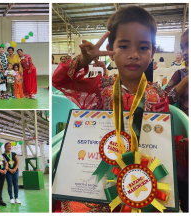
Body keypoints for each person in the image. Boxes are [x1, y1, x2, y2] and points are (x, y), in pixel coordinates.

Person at [52, 6, 170, 212]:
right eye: (124, 47)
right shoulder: (99, 87)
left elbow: (163, 142)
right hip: (98, 177)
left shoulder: (159, 96)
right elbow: (58, 80)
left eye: (143, 48)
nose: (133, 55)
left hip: (142, 182)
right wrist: (82, 61)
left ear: (153, 51)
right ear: (110, 49)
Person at [165, 29, 189, 116]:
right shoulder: (180, 74)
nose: (184, 52)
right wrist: (186, 80)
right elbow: (165, 100)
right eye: (182, 48)